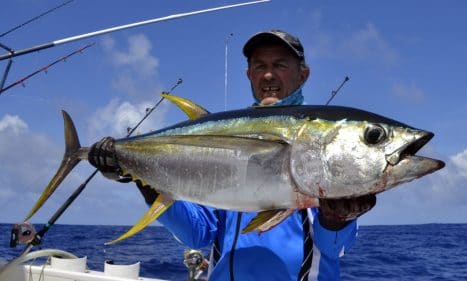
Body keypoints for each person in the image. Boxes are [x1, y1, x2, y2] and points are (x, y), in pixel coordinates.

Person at [89, 30, 376, 281]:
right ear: (249, 74)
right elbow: (198, 233)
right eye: (259, 66)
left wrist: (335, 221)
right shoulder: (224, 147)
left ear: (304, 73)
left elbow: (336, 248)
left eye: (279, 64)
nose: (268, 74)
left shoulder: (321, 141)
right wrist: (145, 183)